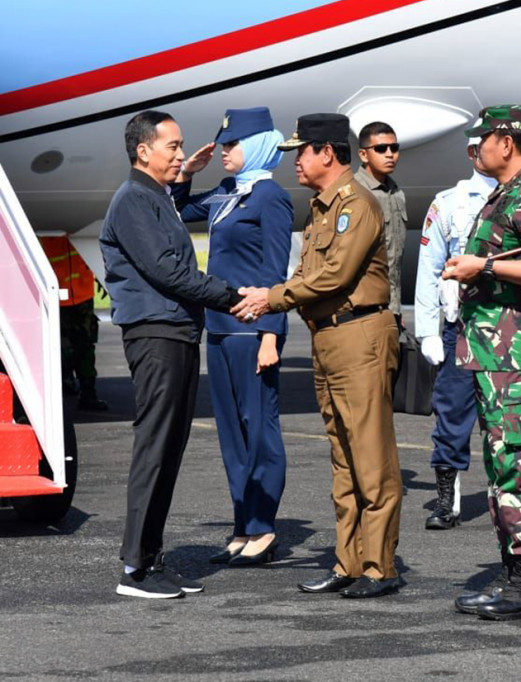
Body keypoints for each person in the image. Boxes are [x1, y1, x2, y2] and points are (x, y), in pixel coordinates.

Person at [231, 114, 403, 599]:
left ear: (327, 152)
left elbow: (333, 277)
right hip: (329, 339)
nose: (296, 163)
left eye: (301, 152)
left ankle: (379, 566)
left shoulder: (356, 205)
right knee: (344, 460)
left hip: (359, 336)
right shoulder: (323, 208)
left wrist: (272, 296)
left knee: (371, 458)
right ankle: (349, 562)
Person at [100, 110, 242, 599]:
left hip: (176, 330)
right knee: (155, 447)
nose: (181, 154)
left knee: (170, 446)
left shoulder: (153, 196)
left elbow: (171, 253)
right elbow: (167, 271)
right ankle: (135, 570)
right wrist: (230, 295)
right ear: (144, 151)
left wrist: (184, 180)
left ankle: (153, 559)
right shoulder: (134, 199)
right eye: (173, 146)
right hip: (156, 332)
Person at [441, 105, 521, 621]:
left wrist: (484, 264)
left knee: (517, 465)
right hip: (496, 358)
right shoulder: (506, 195)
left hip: (517, 360)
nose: (476, 149)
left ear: (506, 142)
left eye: (483, 139)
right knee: (502, 467)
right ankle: (514, 571)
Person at [172, 107, 293, 566]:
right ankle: (243, 524)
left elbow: (274, 272)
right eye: (223, 145)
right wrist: (186, 172)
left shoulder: (271, 197)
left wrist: (270, 336)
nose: (224, 152)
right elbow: (180, 210)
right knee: (231, 435)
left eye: (232, 145)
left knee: (259, 429)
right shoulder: (227, 193)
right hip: (220, 329)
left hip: (250, 331)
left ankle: (264, 528)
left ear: (258, 145)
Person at [414, 136, 497, 530]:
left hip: (508, 329)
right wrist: (428, 330)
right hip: (460, 326)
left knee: (508, 420)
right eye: (484, 145)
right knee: (450, 414)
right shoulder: (449, 202)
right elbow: (429, 268)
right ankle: (447, 500)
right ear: (471, 152)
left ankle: (509, 494)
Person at [40, 235, 108, 411]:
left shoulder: (77, 222)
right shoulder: (45, 223)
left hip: (82, 295)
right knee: (61, 350)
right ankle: (64, 388)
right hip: (56, 297)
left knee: (85, 348)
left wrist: (102, 273)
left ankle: (88, 394)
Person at [354, 122, 407, 317]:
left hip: (390, 309)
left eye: (394, 148)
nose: (389, 154)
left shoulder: (397, 194)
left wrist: (396, 309)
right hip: (361, 310)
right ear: (363, 155)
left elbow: (395, 261)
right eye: (380, 149)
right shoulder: (354, 193)